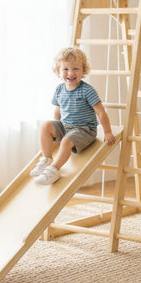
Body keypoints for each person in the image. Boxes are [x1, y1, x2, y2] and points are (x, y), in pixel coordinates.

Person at [30, 46, 115, 186]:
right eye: (65, 69)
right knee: (46, 125)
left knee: (66, 141)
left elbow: (100, 111)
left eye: (76, 69)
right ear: (58, 71)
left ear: (83, 71)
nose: (71, 73)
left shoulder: (87, 90)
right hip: (66, 126)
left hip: (84, 130)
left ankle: (53, 171)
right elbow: (57, 111)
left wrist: (108, 132)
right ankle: (46, 159)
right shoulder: (59, 89)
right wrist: (55, 133)